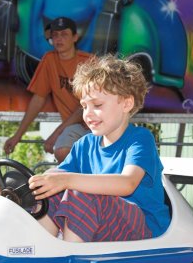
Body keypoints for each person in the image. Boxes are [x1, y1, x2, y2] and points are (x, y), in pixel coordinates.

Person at [27, 54, 170, 242]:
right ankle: (38, 252)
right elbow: (57, 177)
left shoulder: (139, 139)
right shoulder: (84, 145)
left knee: (81, 192)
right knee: (49, 193)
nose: (88, 114)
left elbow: (127, 184)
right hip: (104, 224)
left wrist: (68, 180)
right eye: (84, 107)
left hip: (143, 229)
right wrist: (26, 185)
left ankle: (70, 259)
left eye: (97, 105)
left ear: (126, 103)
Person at [4, 17, 92, 163]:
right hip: (75, 127)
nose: (59, 39)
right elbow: (38, 98)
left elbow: (85, 107)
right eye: (55, 35)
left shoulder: (88, 61)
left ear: (75, 37)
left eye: (64, 34)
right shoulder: (49, 60)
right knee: (62, 151)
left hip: (98, 124)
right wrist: (17, 136)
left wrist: (56, 134)